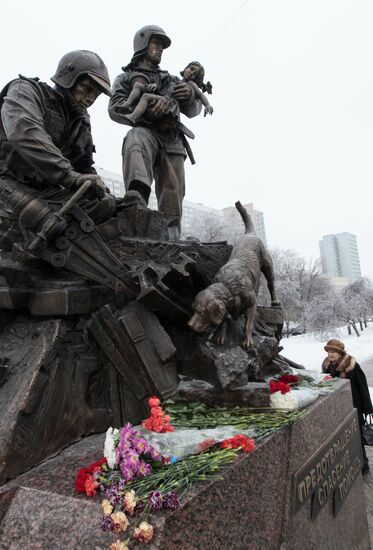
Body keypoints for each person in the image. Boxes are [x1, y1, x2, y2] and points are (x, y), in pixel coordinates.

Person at [0, 50, 115, 252]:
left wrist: (103, 192)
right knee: (44, 220)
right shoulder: (26, 90)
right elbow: (24, 131)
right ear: (68, 78)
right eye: (87, 89)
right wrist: (68, 176)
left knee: (104, 207)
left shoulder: (81, 122)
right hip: (6, 181)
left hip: (44, 191)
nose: (90, 99)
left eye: (95, 95)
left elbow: (84, 166)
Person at [108, 25, 202, 241]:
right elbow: (115, 109)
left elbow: (194, 111)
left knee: (173, 194)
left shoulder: (170, 79)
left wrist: (189, 95)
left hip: (172, 139)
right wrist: (147, 111)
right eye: (156, 43)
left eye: (162, 46)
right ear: (143, 44)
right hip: (146, 132)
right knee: (136, 138)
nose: (160, 49)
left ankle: (171, 239)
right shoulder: (126, 78)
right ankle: (136, 205)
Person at [322, 339, 373, 474]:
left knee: (357, 435)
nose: (330, 354)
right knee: (343, 436)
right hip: (337, 407)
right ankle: (348, 462)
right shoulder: (327, 366)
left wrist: (368, 409)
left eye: (334, 352)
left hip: (354, 406)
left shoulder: (352, 366)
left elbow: (363, 387)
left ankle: (364, 465)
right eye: (329, 351)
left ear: (340, 353)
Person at [114, 60, 213, 125]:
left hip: (169, 103)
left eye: (195, 74)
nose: (191, 73)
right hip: (161, 96)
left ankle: (133, 117)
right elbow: (163, 86)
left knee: (145, 96)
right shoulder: (174, 79)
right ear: (186, 68)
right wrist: (154, 85)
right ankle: (127, 104)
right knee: (138, 85)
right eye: (191, 69)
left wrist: (207, 105)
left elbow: (200, 95)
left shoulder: (191, 84)